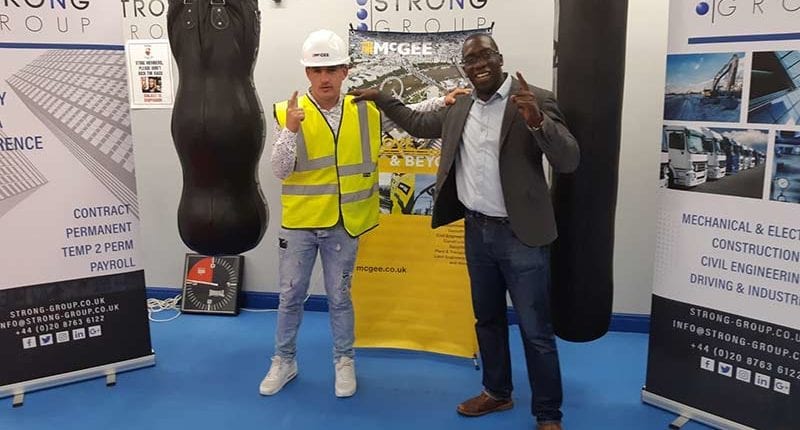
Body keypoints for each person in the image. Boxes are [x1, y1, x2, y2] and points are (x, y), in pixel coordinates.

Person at [350, 33, 579, 430]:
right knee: (486, 320)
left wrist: (537, 123)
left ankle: (547, 413)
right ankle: (497, 392)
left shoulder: (535, 100)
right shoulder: (460, 106)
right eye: (471, 60)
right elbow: (417, 124)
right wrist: (382, 97)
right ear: (465, 68)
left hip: (522, 237)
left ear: (500, 57)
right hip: (477, 232)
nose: (479, 64)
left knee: (535, 331)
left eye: (485, 55)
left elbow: (569, 159)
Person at [260, 29, 466, 399]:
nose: (324, 77)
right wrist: (290, 131)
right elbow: (279, 170)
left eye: (332, 69)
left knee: (340, 298)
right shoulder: (286, 111)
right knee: (290, 297)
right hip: (301, 224)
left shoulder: (365, 110)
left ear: (346, 71)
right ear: (307, 73)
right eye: (317, 70)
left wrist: (443, 101)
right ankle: (283, 361)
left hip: (345, 223)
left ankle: (344, 361)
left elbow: (409, 112)